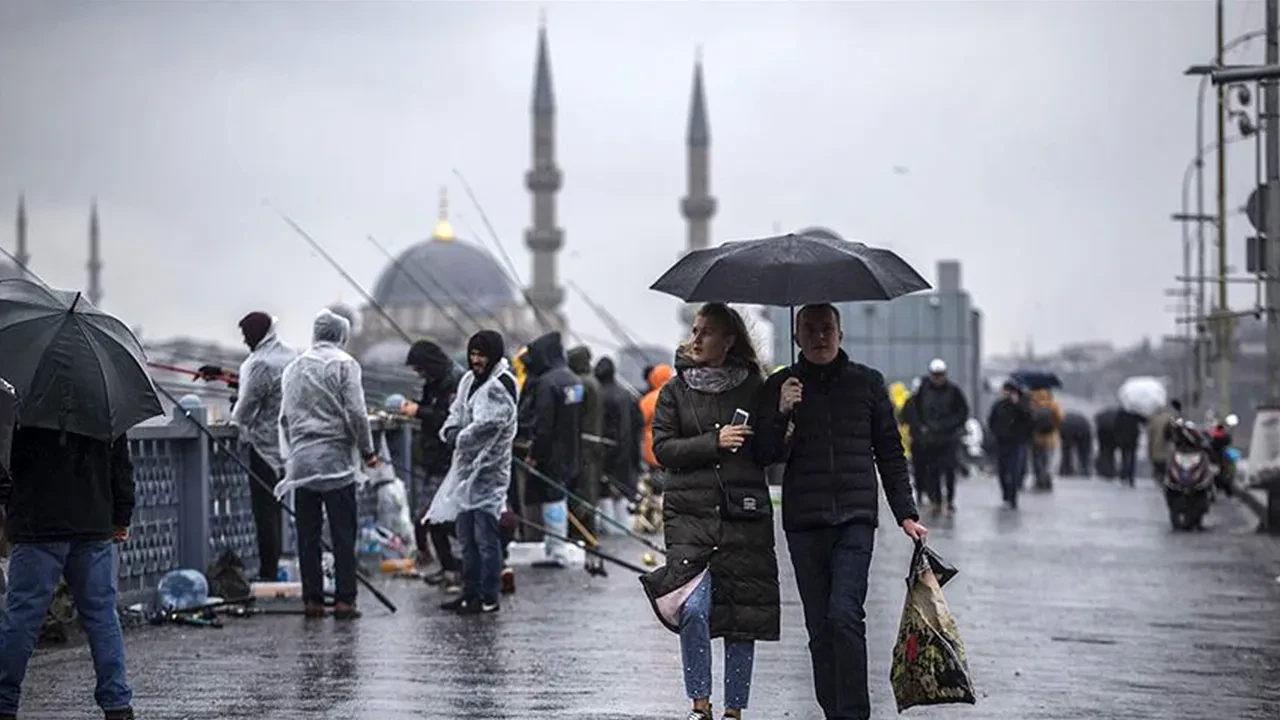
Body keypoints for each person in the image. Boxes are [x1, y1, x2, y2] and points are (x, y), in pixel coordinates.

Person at [755, 303, 927, 720]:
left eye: (827, 328)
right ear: (797, 338)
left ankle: (853, 714)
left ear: (840, 334)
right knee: (820, 627)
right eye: (810, 330)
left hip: (854, 518)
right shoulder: (782, 384)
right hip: (804, 521)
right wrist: (781, 411)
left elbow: (889, 451)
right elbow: (764, 453)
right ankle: (833, 710)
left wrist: (905, 512)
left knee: (845, 615)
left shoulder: (867, 384)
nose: (819, 337)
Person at [639, 303, 780, 720]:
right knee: (694, 609)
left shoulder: (756, 388)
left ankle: (734, 709)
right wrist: (713, 443)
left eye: (707, 332)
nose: (696, 339)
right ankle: (700, 703)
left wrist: (785, 415)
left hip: (742, 514)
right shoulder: (674, 390)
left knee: (741, 615)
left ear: (729, 340)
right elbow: (663, 449)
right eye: (695, 330)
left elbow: (771, 452)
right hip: (689, 515)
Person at [0, 420, 136, 720]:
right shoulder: (103, 399)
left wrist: (12, 502)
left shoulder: (23, 400)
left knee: (21, 618)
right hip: (93, 523)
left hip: (37, 524)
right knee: (102, 617)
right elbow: (121, 465)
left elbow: (4, 463)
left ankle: (4, 702)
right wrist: (122, 514)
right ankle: (117, 705)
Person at [277, 309, 377, 620]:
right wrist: (367, 450)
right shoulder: (345, 365)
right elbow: (357, 414)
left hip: (303, 465)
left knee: (307, 535)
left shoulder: (294, 368)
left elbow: (284, 418)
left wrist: (294, 453)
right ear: (341, 335)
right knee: (342, 533)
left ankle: (313, 601)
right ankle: (345, 600)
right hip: (337, 463)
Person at [437, 331, 519, 615]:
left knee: (486, 538)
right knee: (466, 538)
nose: (476, 360)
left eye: (481, 355)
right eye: (473, 354)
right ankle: (469, 593)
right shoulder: (469, 381)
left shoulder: (500, 385)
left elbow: (488, 425)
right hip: (465, 472)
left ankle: (488, 595)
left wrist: (458, 437)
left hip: (488, 473)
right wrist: (449, 429)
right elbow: (457, 411)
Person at [231, 311, 298, 583]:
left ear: (257, 334)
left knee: (265, 516)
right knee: (279, 512)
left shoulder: (259, 363)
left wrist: (235, 417)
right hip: (289, 448)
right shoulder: (289, 356)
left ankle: (268, 573)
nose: (245, 341)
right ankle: (278, 568)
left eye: (247, 335)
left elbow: (245, 411)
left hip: (263, 450)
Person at [400, 340, 463, 590]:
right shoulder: (436, 381)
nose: (419, 374)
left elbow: (448, 419)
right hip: (434, 458)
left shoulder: (453, 381)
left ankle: (474, 559)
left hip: (448, 460)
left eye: (420, 369)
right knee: (433, 517)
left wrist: (418, 412)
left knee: (431, 516)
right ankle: (449, 568)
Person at [520, 331, 583, 568]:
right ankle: (556, 547)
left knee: (551, 499)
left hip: (550, 453)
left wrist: (535, 454)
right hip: (571, 450)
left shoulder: (547, 382)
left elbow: (543, 425)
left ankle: (556, 551)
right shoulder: (572, 379)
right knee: (560, 497)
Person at [909, 359, 969, 515]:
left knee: (949, 470)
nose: (937, 378)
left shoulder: (954, 391)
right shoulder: (924, 391)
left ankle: (949, 500)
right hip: (929, 439)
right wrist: (921, 427)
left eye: (940, 375)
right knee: (932, 471)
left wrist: (950, 425)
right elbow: (914, 411)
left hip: (948, 438)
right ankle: (935, 499)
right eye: (935, 375)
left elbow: (962, 412)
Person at [594, 356, 644, 535]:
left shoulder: (599, 394)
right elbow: (638, 423)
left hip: (605, 451)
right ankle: (622, 530)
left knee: (604, 492)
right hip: (627, 451)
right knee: (623, 492)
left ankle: (609, 529)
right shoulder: (627, 395)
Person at [567, 346, 605, 538]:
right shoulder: (594, 382)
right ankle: (589, 529)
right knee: (591, 487)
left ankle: (583, 532)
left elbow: (572, 413)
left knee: (582, 487)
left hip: (582, 443)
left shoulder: (580, 383)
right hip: (594, 441)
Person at [987, 381, 1034, 509]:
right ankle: (1006, 495)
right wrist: (996, 433)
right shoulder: (998, 405)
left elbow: (1029, 420)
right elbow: (992, 420)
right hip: (1001, 442)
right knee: (1002, 471)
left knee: (1014, 471)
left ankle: (1013, 498)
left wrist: (1018, 404)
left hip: (1016, 443)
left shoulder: (1021, 406)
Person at [1028, 389, 1063, 490]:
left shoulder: (1032, 404)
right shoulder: (1053, 404)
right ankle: (1047, 480)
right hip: (1050, 437)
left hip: (1036, 437)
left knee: (1036, 459)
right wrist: (1054, 427)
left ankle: (1038, 480)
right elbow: (1060, 418)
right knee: (1047, 459)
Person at [1147, 399, 1181, 481]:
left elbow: (1150, 432)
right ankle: (1164, 476)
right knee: (1165, 461)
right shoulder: (1169, 417)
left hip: (1156, 443)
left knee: (1157, 461)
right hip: (1166, 443)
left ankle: (1158, 476)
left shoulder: (1153, 418)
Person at [1113, 408, 1145, 487]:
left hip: (1123, 440)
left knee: (1124, 458)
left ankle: (1123, 476)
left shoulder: (1120, 414)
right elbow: (1144, 421)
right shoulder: (1134, 413)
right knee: (1132, 459)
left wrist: (1117, 438)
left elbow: (1116, 426)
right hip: (1133, 439)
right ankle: (1131, 477)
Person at [1057, 412, 1093, 477]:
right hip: (1084, 428)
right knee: (1083, 451)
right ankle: (1084, 469)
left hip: (1068, 428)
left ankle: (1066, 470)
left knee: (1067, 451)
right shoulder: (1082, 419)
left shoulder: (1062, 419)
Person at [1094, 407, 1119, 479]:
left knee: (1104, 455)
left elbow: (1098, 435)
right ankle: (1111, 470)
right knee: (1111, 456)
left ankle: (1104, 470)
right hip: (1112, 443)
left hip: (1103, 444)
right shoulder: (1114, 425)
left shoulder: (1101, 425)